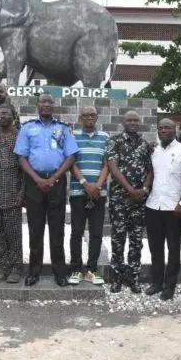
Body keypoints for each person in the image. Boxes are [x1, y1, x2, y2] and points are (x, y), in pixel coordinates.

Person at [14, 93, 79, 287]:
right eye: (43, 101)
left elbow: (71, 157)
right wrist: (37, 179)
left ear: (54, 106)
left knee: (57, 229)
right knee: (35, 229)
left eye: (50, 102)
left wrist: (54, 177)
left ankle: (60, 272)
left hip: (56, 182)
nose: (47, 105)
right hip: (33, 182)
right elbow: (21, 158)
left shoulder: (63, 128)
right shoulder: (27, 128)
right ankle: (34, 271)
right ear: (37, 105)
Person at [145, 118, 181, 300]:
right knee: (155, 247)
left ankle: (170, 286)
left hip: (174, 208)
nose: (164, 130)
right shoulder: (153, 150)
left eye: (168, 127)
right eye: (161, 128)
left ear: (175, 129)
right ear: (157, 131)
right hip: (153, 205)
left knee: (173, 248)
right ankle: (157, 283)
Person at [106, 111, 153, 294]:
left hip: (139, 201)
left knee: (136, 240)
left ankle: (133, 277)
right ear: (123, 123)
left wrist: (144, 190)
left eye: (135, 120)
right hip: (119, 199)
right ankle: (116, 278)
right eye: (129, 120)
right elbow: (113, 167)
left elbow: (150, 170)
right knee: (118, 239)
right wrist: (130, 189)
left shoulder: (144, 144)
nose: (133, 122)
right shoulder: (115, 141)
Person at [68, 106, 110, 286]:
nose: (89, 118)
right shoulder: (73, 136)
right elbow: (71, 163)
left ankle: (92, 270)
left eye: (92, 115)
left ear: (97, 117)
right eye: (85, 115)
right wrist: (85, 183)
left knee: (96, 233)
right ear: (80, 118)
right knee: (76, 232)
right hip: (78, 191)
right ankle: (76, 270)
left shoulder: (105, 138)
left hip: (99, 193)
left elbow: (106, 164)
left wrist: (97, 186)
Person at [0, 103, 25, 283]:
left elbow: (24, 167)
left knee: (13, 233)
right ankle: (1, 268)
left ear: (13, 116)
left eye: (7, 114)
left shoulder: (20, 136)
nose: (3, 117)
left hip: (13, 191)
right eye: (0, 114)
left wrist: (22, 191)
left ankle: (16, 268)